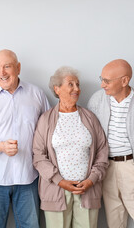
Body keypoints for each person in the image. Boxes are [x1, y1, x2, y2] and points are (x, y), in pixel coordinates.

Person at [0, 49, 50, 228]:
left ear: (18, 68)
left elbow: (48, 131)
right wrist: (0, 146)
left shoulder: (36, 94)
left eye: (7, 66)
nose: (2, 73)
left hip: (28, 176)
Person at [32, 67, 109, 228]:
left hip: (87, 189)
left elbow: (102, 150)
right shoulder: (46, 119)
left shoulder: (89, 117)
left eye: (78, 85)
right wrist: (60, 181)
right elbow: (38, 156)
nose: (77, 89)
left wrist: (91, 179)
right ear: (57, 89)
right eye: (71, 84)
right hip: (55, 190)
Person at [87, 59, 134, 228]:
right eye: (101, 79)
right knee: (115, 223)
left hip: (133, 169)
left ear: (124, 81)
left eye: (107, 81)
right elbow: (91, 136)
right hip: (107, 168)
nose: (102, 85)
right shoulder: (97, 100)